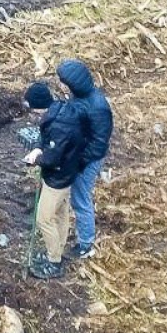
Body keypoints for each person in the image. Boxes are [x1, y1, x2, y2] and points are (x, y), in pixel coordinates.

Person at [22, 82, 89, 279]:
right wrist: (38, 147)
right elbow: (48, 141)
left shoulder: (59, 126)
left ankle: (54, 263)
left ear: (37, 105)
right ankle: (57, 251)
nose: (32, 113)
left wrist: (36, 160)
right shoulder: (59, 109)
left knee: (43, 219)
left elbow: (53, 158)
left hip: (59, 177)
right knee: (60, 213)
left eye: (31, 107)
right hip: (69, 171)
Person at [59, 59, 112, 259]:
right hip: (79, 153)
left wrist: (80, 163)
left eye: (63, 81)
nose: (61, 84)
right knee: (75, 195)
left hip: (88, 160)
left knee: (80, 198)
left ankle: (86, 244)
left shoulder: (98, 107)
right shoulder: (79, 96)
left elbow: (99, 144)